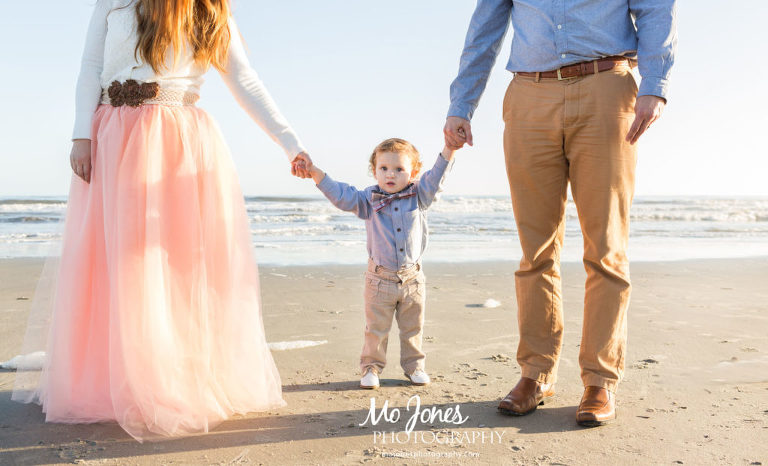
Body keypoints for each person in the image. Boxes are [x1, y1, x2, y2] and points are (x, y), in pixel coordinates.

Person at [12, 0, 313, 441]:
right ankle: (113, 380)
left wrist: (290, 143)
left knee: (170, 266)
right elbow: (90, 67)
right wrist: (81, 134)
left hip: (176, 142)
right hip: (111, 137)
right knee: (113, 262)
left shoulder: (210, 10)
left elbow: (244, 79)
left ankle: (166, 380)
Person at [444, 0, 677, 426]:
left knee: (605, 247)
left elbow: (656, 8)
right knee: (535, 249)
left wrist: (655, 83)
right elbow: (484, 30)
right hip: (529, 95)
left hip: (607, 87)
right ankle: (535, 374)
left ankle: (600, 381)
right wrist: (462, 103)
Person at [305, 139, 455, 389]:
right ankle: (371, 368)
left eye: (399, 169)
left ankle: (415, 366)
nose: (390, 174)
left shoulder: (420, 195)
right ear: (374, 171)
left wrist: (449, 149)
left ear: (414, 172)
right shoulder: (368, 199)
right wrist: (314, 172)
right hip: (379, 280)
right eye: (383, 168)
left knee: (413, 329)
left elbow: (437, 176)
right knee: (376, 330)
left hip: (412, 280)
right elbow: (341, 195)